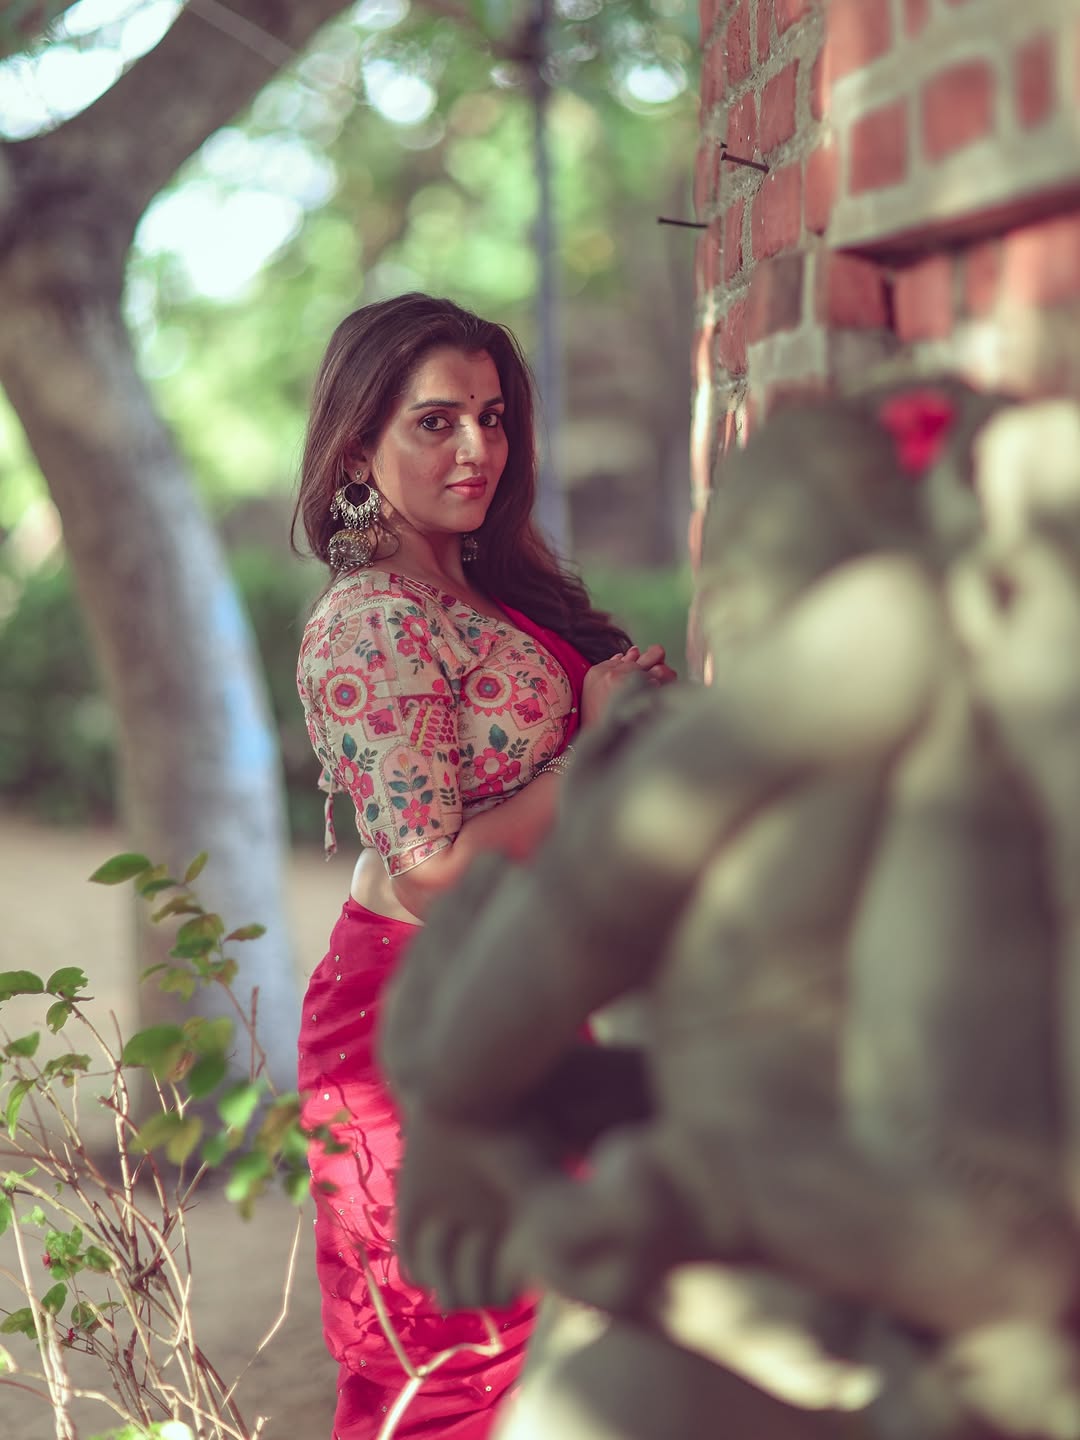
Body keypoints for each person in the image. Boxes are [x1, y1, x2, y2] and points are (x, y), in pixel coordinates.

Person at [291, 291, 676, 1440]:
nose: (478, 449)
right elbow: (433, 869)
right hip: (413, 1017)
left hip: (520, 999)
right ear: (358, 446)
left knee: (548, 1346)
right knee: (441, 1357)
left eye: (494, 417)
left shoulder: (483, 587)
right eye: (436, 422)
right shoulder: (369, 622)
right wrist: (601, 746)